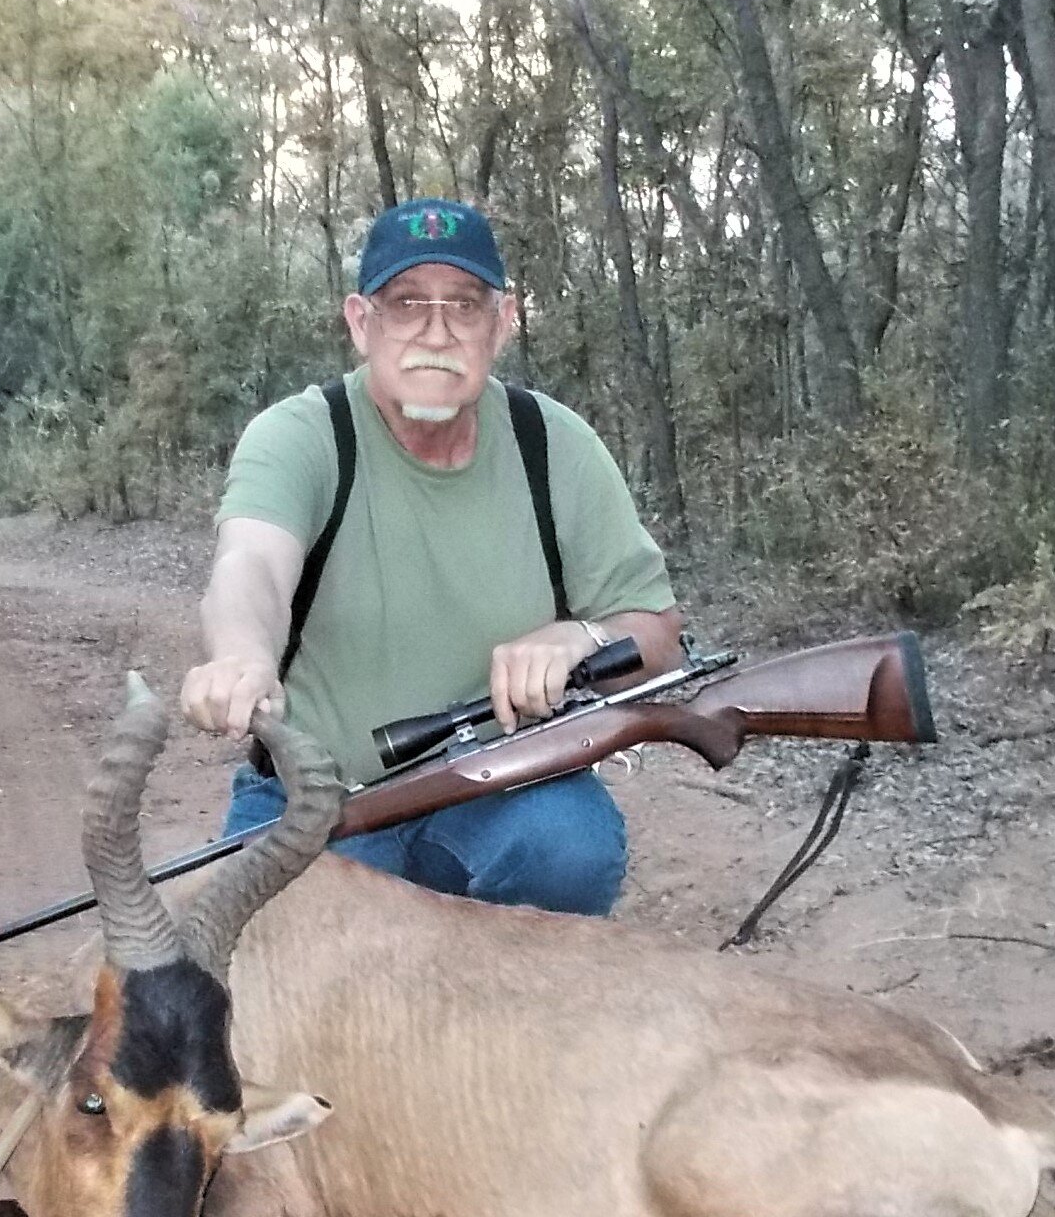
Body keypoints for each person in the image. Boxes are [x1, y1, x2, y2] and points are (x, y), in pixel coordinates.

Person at [181, 198, 682, 916]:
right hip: (320, 796)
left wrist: (583, 636)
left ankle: (509, 1020)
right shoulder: (300, 435)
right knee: (247, 971)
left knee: (569, 849)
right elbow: (250, 566)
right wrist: (241, 656)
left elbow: (658, 632)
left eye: (465, 306)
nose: (436, 332)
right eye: (408, 304)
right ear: (362, 322)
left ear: (501, 324)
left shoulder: (556, 445)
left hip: (500, 785)